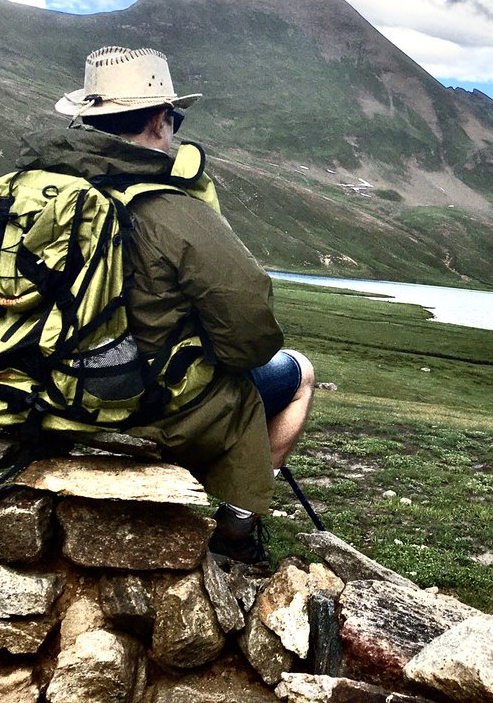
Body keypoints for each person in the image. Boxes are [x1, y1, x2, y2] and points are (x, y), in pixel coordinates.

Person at [27, 45, 314, 564]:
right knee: (298, 373)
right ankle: (236, 526)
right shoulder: (171, 207)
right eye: (174, 117)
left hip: (38, 387)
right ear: (161, 120)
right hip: (140, 405)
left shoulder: (37, 195)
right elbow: (249, 337)